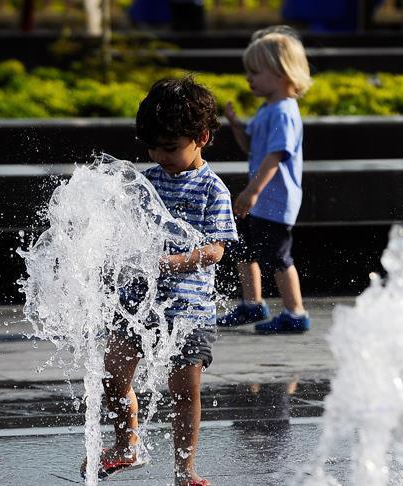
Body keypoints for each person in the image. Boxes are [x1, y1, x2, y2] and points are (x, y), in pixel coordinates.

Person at [81, 77, 238, 486]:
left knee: (185, 393)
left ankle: (185, 471)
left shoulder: (211, 189)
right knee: (113, 373)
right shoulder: (145, 181)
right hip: (138, 303)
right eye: (152, 147)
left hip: (188, 311)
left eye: (169, 147)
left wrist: (173, 262)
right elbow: (123, 230)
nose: (159, 156)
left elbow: (217, 250)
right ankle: (127, 442)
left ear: (201, 137)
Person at [219, 25, 312, 334]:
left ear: (281, 72)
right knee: (242, 246)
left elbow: (276, 156)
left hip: (274, 201)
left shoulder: (284, 112)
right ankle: (252, 303)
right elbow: (252, 149)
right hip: (260, 199)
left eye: (255, 72)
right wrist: (236, 127)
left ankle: (295, 312)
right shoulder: (267, 110)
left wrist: (252, 192)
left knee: (277, 256)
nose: (249, 79)